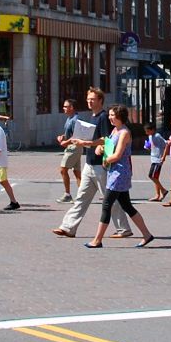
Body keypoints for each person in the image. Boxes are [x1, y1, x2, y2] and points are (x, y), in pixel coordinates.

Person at [52, 88, 132, 239]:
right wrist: (74, 140)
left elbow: (107, 139)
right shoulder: (92, 117)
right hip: (89, 164)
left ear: (100, 100)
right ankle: (68, 227)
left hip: (101, 166)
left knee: (110, 199)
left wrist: (91, 144)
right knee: (81, 197)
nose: (89, 101)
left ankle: (123, 228)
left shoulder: (103, 117)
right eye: (88, 99)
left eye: (93, 99)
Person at [86, 105, 156, 248]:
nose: (110, 118)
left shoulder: (124, 132)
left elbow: (117, 155)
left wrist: (106, 160)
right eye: (110, 115)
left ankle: (97, 240)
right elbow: (108, 145)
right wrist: (101, 148)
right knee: (127, 205)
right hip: (113, 171)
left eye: (113, 115)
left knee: (107, 204)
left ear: (120, 116)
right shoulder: (115, 130)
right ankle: (147, 235)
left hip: (120, 173)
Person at [53, 98, 81, 203]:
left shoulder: (76, 119)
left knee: (63, 169)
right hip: (72, 147)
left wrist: (66, 142)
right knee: (76, 172)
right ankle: (82, 195)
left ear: (71, 107)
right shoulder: (69, 118)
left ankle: (67, 194)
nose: (63, 108)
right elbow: (69, 134)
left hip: (74, 147)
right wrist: (62, 137)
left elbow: (77, 135)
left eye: (66, 106)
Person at [143, 121, 168, 201]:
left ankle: (163, 190)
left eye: (148, 131)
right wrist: (148, 147)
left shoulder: (157, 136)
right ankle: (157, 195)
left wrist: (164, 156)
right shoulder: (150, 136)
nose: (147, 133)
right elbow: (152, 147)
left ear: (153, 130)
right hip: (153, 159)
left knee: (152, 176)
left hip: (158, 159)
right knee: (155, 177)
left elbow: (166, 144)